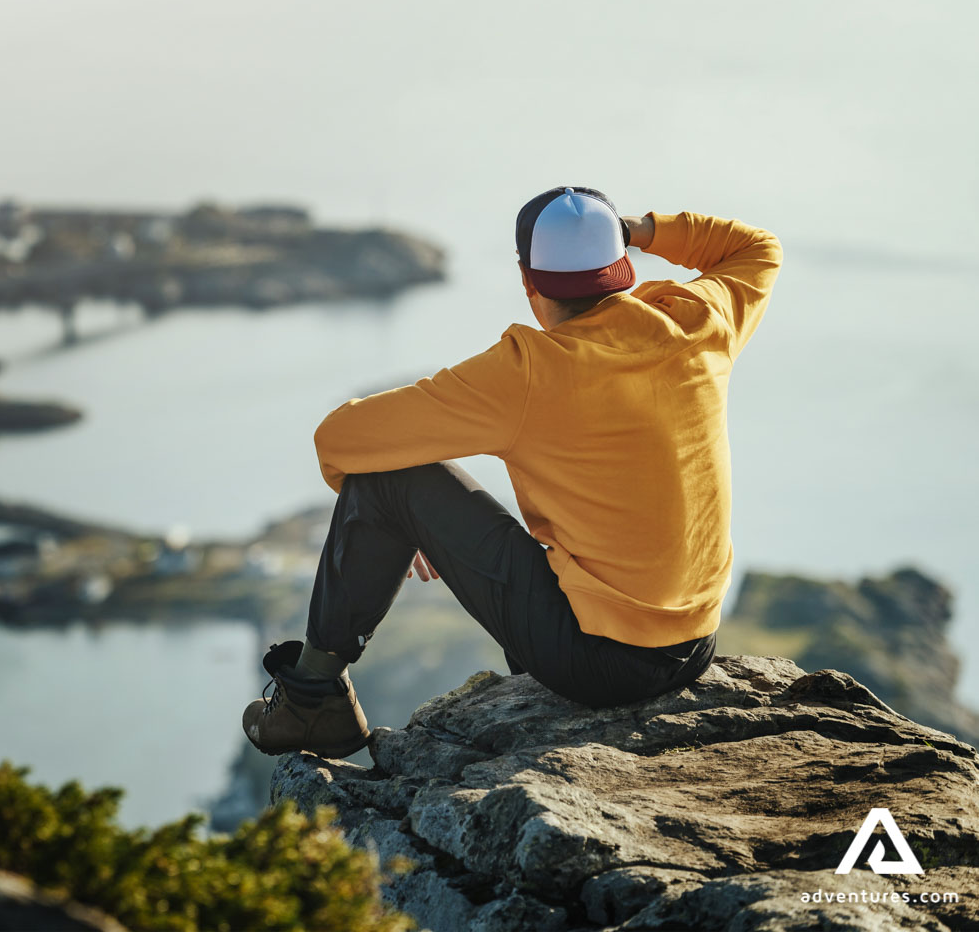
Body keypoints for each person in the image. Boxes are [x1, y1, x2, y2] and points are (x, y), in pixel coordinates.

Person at [241, 186, 782, 759]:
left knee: (385, 478)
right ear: (621, 264)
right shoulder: (700, 323)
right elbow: (756, 247)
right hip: (695, 644)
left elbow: (339, 439)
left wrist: (395, 521)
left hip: (597, 666)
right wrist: (637, 226)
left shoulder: (529, 372)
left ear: (529, 280)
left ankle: (312, 703)